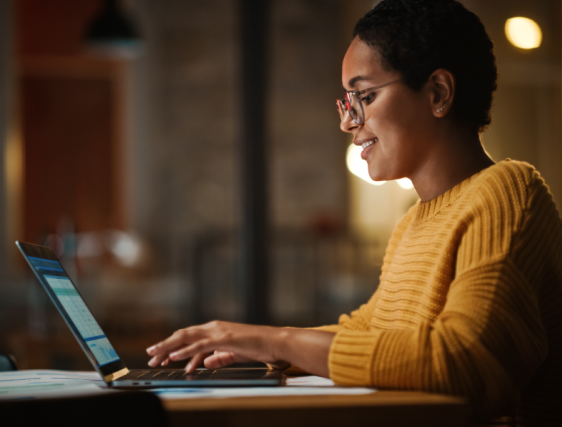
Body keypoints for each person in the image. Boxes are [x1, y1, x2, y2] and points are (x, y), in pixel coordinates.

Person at [146, 0, 562, 425]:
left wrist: (278, 341)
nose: (348, 123)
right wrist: (256, 345)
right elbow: (369, 332)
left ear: (438, 92)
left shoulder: (509, 192)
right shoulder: (414, 223)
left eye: (364, 96)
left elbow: (464, 358)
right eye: (348, 100)